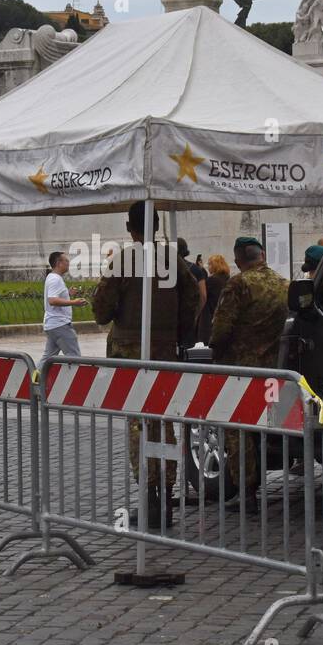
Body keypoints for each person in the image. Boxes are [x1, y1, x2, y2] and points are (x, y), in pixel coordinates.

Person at [92, 201, 198, 527]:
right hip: (165, 351)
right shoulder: (174, 260)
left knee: (139, 426)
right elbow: (194, 297)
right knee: (164, 424)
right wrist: (180, 334)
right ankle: (166, 497)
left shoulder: (122, 260)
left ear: (129, 227)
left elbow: (101, 311)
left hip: (129, 354)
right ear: (157, 224)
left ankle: (150, 499)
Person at [209, 236, 289, 511]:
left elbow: (221, 328)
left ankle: (246, 492)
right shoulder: (282, 283)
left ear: (240, 258)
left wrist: (214, 350)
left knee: (238, 430)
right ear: (262, 255)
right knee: (261, 428)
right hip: (273, 367)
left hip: (239, 369)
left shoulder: (239, 284)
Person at [41, 251, 86, 365]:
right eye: (66, 260)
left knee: (47, 359)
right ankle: (77, 381)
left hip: (53, 325)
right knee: (74, 357)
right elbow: (52, 300)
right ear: (58, 263)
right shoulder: (55, 279)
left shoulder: (53, 277)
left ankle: (33, 379)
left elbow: (55, 297)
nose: (68, 263)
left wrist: (67, 293)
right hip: (60, 325)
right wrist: (74, 302)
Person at [176, 237, 207, 349]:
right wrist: (195, 316)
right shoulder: (195, 269)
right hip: (188, 316)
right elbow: (203, 296)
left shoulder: (165, 268)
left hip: (169, 319)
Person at [198, 254, 231, 346]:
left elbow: (202, 294)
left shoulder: (211, 281)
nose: (208, 267)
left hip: (210, 318)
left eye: (209, 264)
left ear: (215, 265)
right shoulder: (228, 279)